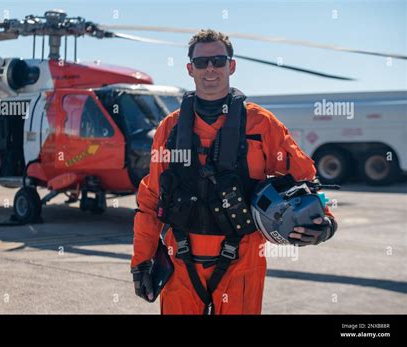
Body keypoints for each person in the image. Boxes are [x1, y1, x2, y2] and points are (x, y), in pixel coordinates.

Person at [131, 29, 337, 314]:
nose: (211, 69)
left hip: (242, 258)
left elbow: (306, 180)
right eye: (202, 63)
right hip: (180, 257)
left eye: (218, 60)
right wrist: (141, 261)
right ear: (190, 69)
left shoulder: (261, 124)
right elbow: (151, 198)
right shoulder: (170, 128)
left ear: (232, 65)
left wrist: (325, 221)